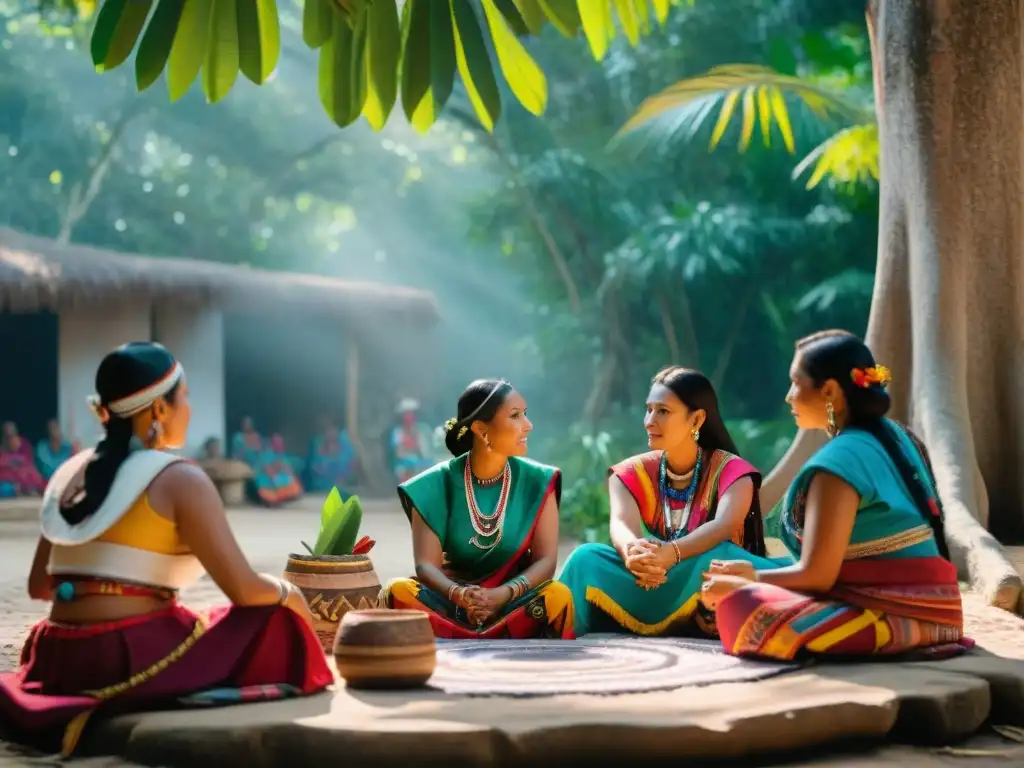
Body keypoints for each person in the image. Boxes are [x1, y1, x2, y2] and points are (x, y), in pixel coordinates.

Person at [0, 343, 332, 757]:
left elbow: (39, 588)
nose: (189, 408)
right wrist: (290, 594)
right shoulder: (180, 478)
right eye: (185, 397)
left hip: (57, 655)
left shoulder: (69, 473)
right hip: (126, 656)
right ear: (158, 410)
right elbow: (244, 591)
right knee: (276, 619)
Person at [701, 330, 973, 661]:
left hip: (899, 613)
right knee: (741, 569)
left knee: (741, 606)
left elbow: (817, 576)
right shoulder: (896, 435)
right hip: (935, 603)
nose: (788, 396)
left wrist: (748, 581)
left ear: (829, 390)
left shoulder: (840, 461)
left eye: (796, 382)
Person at [558, 367, 783, 637]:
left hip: (708, 575)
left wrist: (671, 553)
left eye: (663, 411)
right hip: (657, 576)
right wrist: (634, 553)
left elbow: (724, 525)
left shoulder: (733, 472)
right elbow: (621, 523)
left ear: (697, 419)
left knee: (714, 555)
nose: (650, 421)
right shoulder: (629, 474)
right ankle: (563, 635)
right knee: (587, 558)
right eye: (648, 409)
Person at [379, 379, 574, 639]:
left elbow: (546, 560)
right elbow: (426, 566)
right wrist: (461, 595)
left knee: (558, 596)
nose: (528, 425)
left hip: (511, 604)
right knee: (398, 590)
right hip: (451, 606)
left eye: (525, 414)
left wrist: (502, 595)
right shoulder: (433, 485)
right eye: (515, 415)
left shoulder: (539, 481)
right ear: (482, 429)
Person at [230, 417, 303, 506]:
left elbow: (264, 447)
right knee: (263, 472)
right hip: (251, 461)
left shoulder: (257, 436)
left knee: (280, 466)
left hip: (262, 458)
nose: (247, 425)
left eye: (249, 423)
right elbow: (239, 453)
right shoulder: (238, 437)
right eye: (245, 423)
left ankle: (286, 493)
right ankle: (269, 497)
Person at [306, 417, 356, 494]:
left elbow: (352, 466)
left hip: (345, 488)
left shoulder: (346, 447)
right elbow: (315, 469)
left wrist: (344, 477)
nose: (330, 433)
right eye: (327, 430)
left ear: (337, 430)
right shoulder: (319, 448)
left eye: (333, 429)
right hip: (322, 490)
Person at [388, 399, 434, 483]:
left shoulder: (421, 430)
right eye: (406, 414)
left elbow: (425, 452)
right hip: (404, 465)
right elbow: (398, 453)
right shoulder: (397, 432)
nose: (409, 416)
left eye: (411, 414)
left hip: (421, 464)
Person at [0, 421, 45, 497]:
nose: (10, 439)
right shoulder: (2, 452)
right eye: (7, 436)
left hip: (26, 484)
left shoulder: (25, 445)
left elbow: (29, 466)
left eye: (12, 435)